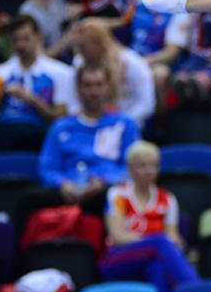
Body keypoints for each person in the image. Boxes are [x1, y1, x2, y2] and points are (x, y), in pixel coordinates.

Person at [0, 15, 74, 203]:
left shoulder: (60, 73)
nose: (21, 45)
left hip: (39, 130)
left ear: (38, 37)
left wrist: (33, 100)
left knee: (67, 148)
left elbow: (60, 118)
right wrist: (1, 95)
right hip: (4, 130)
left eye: (26, 39)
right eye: (16, 40)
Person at [101, 141, 199, 292]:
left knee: (158, 270)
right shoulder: (117, 195)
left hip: (151, 259)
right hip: (117, 259)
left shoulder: (167, 199)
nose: (149, 171)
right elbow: (118, 235)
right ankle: (194, 291)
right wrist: (153, 243)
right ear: (130, 168)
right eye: (143, 166)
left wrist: (167, 244)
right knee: (160, 243)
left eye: (154, 165)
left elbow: (173, 238)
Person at [37, 63, 140, 205]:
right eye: (88, 85)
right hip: (67, 189)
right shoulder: (61, 127)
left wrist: (104, 181)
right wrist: (62, 183)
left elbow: (131, 167)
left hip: (107, 190)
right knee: (29, 200)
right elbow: (47, 167)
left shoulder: (125, 124)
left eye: (99, 85)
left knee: (111, 197)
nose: (94, 91)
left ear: (108, 88)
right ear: (78, 89)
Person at [127, 0, 192, 119]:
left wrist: (143, 62)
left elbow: (172, 53)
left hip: (159, 63)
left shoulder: (178, 8)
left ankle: (159, 128)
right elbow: (121, 24)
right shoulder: (138, 2)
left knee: (159, 75)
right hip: (133, 57)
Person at [70, 18, 156, 125]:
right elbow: (73, 99)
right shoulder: (79, 62)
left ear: (98, 44)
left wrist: (120, 122)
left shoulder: (132, 62)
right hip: (90, 123)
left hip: (127, 122)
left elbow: (146, 104)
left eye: (82, 47)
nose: (78, 51)